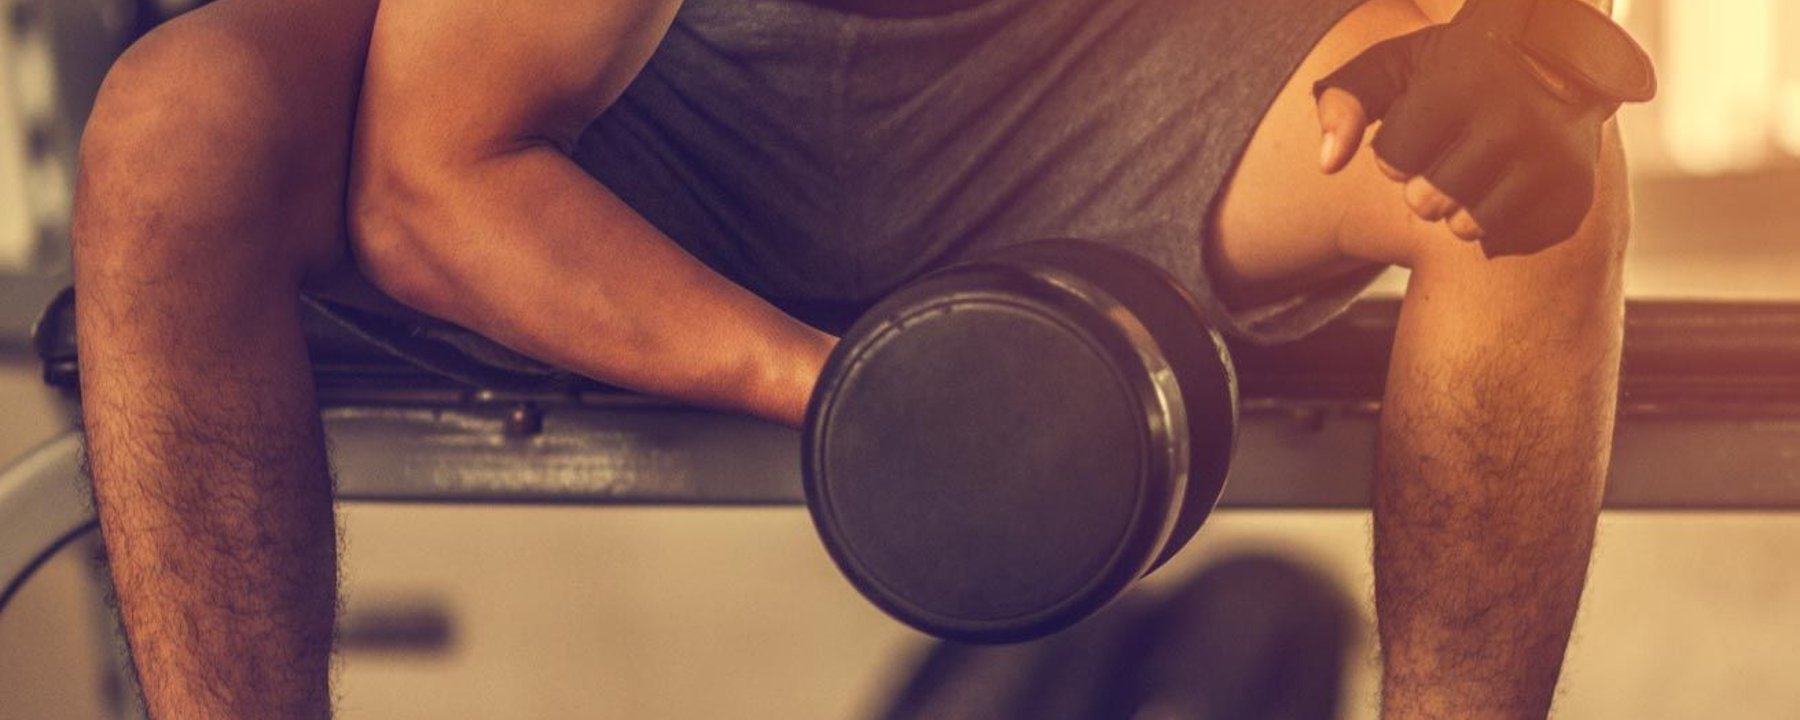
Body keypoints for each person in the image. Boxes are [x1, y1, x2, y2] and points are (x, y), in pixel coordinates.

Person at [70, 0, 1634, 717]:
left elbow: (1520, 33)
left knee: (1539, 194)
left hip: (1093, 72)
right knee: (171, 136)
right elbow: (432, 182)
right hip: (639, 119)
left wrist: (1528, 39)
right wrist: (841, 394)